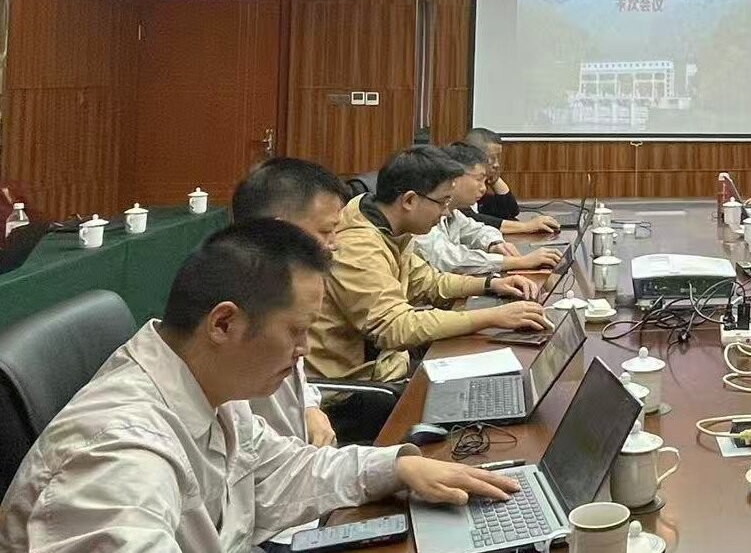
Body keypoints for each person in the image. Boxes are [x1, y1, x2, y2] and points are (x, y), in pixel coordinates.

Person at [0, 221, 521, 552]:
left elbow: (279, 471)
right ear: (224, 323)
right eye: (296, 332)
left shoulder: (209, 385)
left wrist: (397, 467)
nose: (304, 352)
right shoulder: (117, 457)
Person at [305, 147, 552, 384]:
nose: (446, 213)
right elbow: (395, 327)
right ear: (410, 200)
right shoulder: (358, 246)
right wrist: (494, 316)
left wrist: (491, 284)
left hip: (388, 365)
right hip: (357, 385)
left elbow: (429, 282)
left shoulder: (389, 230)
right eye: (442, 202)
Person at [231, 157, 352, 451]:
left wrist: (309, 407)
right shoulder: (242, 307)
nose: (334, 243)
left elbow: (294, 372)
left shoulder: (284, 287)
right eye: (326, 231)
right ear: (279, 231)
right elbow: (254, 460)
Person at [414, 149, 562, 276]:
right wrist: (519, 261)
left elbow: (478, 230)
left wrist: (495, 244)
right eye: (479, 179)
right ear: (454, 178)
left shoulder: (452, 214)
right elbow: (451, 260)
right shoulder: (422, 217)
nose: (484, 188)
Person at [459, 133, 561, 236]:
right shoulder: (458, 188)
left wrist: (495, 180)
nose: (497, 164)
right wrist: (526, 226)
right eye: (492, 158)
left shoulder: (477, 192)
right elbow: (470, 220)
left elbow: (509, 211)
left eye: (498, 158)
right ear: (472, 156)